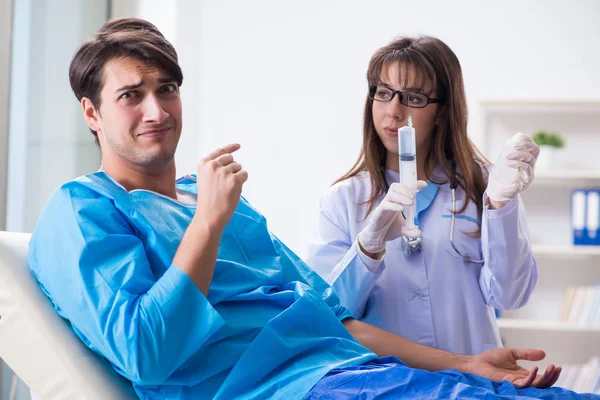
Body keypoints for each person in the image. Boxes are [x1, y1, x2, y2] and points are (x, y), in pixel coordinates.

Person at [28, 18, 593, 400]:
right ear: (91, 113)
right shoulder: (83, 208)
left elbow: (331, 317)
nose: (156, 109)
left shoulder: (218, 199)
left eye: (167, 88)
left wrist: (463, 365)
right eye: (131, 95)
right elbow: (147, 352)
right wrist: (207, 224)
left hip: (356, 371)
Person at [306, 35, 540, 357]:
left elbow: (509, 297)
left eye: (413, 98)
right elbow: (326, 317)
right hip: (386, 385)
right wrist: (367, 250)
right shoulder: (343, 199)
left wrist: (500, 205)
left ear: (443, 111)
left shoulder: (484, 185)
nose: (393, 111)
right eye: (384, 93)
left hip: (471, 383)